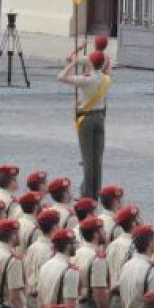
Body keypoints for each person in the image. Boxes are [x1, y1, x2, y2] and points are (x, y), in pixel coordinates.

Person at [57, 49, 110, 199]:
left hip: (86, 118)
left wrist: (72, 64)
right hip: (100, 117)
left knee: (87, 158)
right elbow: (98, 66)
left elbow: (60, 77)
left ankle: (88, 192)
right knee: (97, 157)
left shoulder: (86, 80)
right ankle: (96, 190)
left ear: (91, 64)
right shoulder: (106, 79)